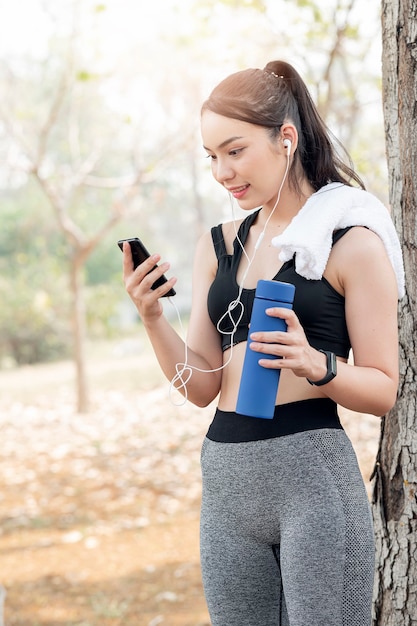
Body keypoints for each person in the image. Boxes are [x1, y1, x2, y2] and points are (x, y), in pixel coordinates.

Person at [122, 60, 404, 626]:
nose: (222, 172)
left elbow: (383, 389)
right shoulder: (218, 246)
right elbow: (201, 385)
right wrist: (153, 318)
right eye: (211, 157)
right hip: (226, 482)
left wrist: (317, 364)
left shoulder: (350, 243)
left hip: (313, 484)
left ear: (286, 138)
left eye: (235, 150)